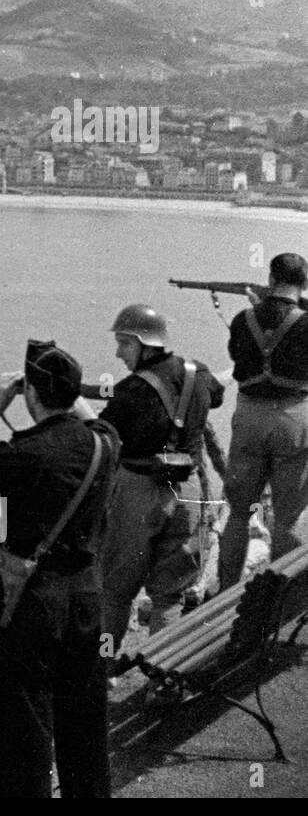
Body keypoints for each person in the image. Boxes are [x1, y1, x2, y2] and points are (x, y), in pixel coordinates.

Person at [0, 340, 119, 798]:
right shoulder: (105, 443)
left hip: (31, 601)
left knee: (23, 724)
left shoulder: (25, 453)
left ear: (33, 395)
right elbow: (87, 417)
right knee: (83, 716)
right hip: (85, 596)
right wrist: (52, 389)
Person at [97, 304, 224, 650]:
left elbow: (102, 435)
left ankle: (104, 664)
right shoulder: (199, 372)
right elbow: (216, 396)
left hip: (139, 494)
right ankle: (160, 676)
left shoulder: (129, 391)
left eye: (124, 344)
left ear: (144, 344)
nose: (118, 353)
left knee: (115, 594)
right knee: (169, 597)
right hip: (189, 492)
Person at [219, 252, 308, 590]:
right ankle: (276, 601)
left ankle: (223, 595)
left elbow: (237, 356)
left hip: (250, 417)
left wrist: (259, 309)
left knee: (239, 514)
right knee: (287, 521)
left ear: (271, 280)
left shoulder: (244, 319)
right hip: (294, 419)